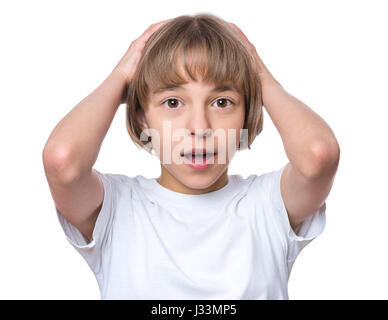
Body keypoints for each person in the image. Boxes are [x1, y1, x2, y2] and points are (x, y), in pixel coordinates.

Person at [42, 13, 340, 299]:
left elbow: (318, 155)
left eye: (222, 102)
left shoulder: (268, 206)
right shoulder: (117, 209)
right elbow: (63, 160)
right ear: (142, 118)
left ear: (247, 115)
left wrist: (259, 76)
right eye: (173, 102)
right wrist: (121, 75)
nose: (199, 127)